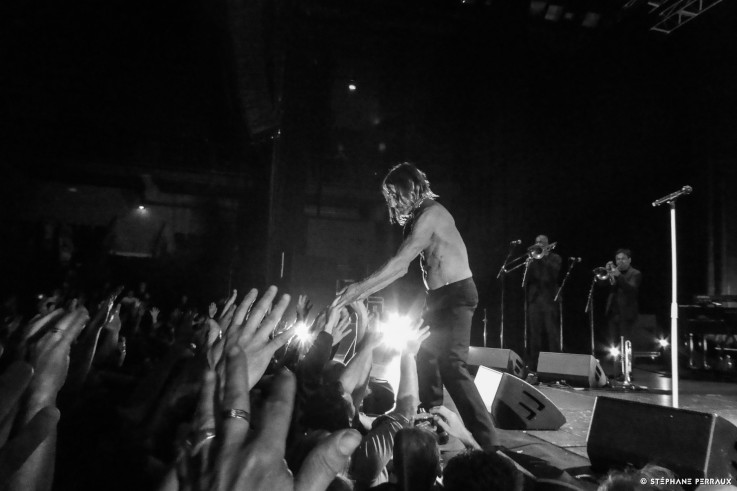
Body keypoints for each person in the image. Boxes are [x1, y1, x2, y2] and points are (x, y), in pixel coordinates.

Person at [332, 162, 498, 449]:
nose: (392, 203)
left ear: (410, 187)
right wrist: (361, 292)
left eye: (395, 195)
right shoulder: (417, 218)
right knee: (424, 356)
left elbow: (399, 265)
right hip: (437, 298)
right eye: (389, 198)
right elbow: (401, 270)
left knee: (452, 365)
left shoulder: (431, 215)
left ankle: (487, 441)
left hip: (457, 294)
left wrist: (358, 288)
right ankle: (435, 424)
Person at [524, 235, 562, 369]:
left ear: (547, 244)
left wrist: (543, 257)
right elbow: (526, 280)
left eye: (541, 242)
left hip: (549, 300)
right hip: (534, 300)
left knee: (552, 334)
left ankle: (556, 367)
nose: (538, 244)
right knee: (534, 335)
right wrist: (530, 263)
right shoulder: (532, 259)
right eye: (537, 242)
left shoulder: (555, 258)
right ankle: (533, 366)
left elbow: (553, 275)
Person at [603, 248, 642, 346]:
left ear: (629, 260)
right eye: (618, 259)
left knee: (626, 344)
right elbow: (602, 285)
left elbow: (630, 289)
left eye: (623, 259)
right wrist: (607, 272)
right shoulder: (613, 273)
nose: (620, 261)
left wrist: (619, 275)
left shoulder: (635, 273)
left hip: (627, 315)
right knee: (613, 345)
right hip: (613, 314)